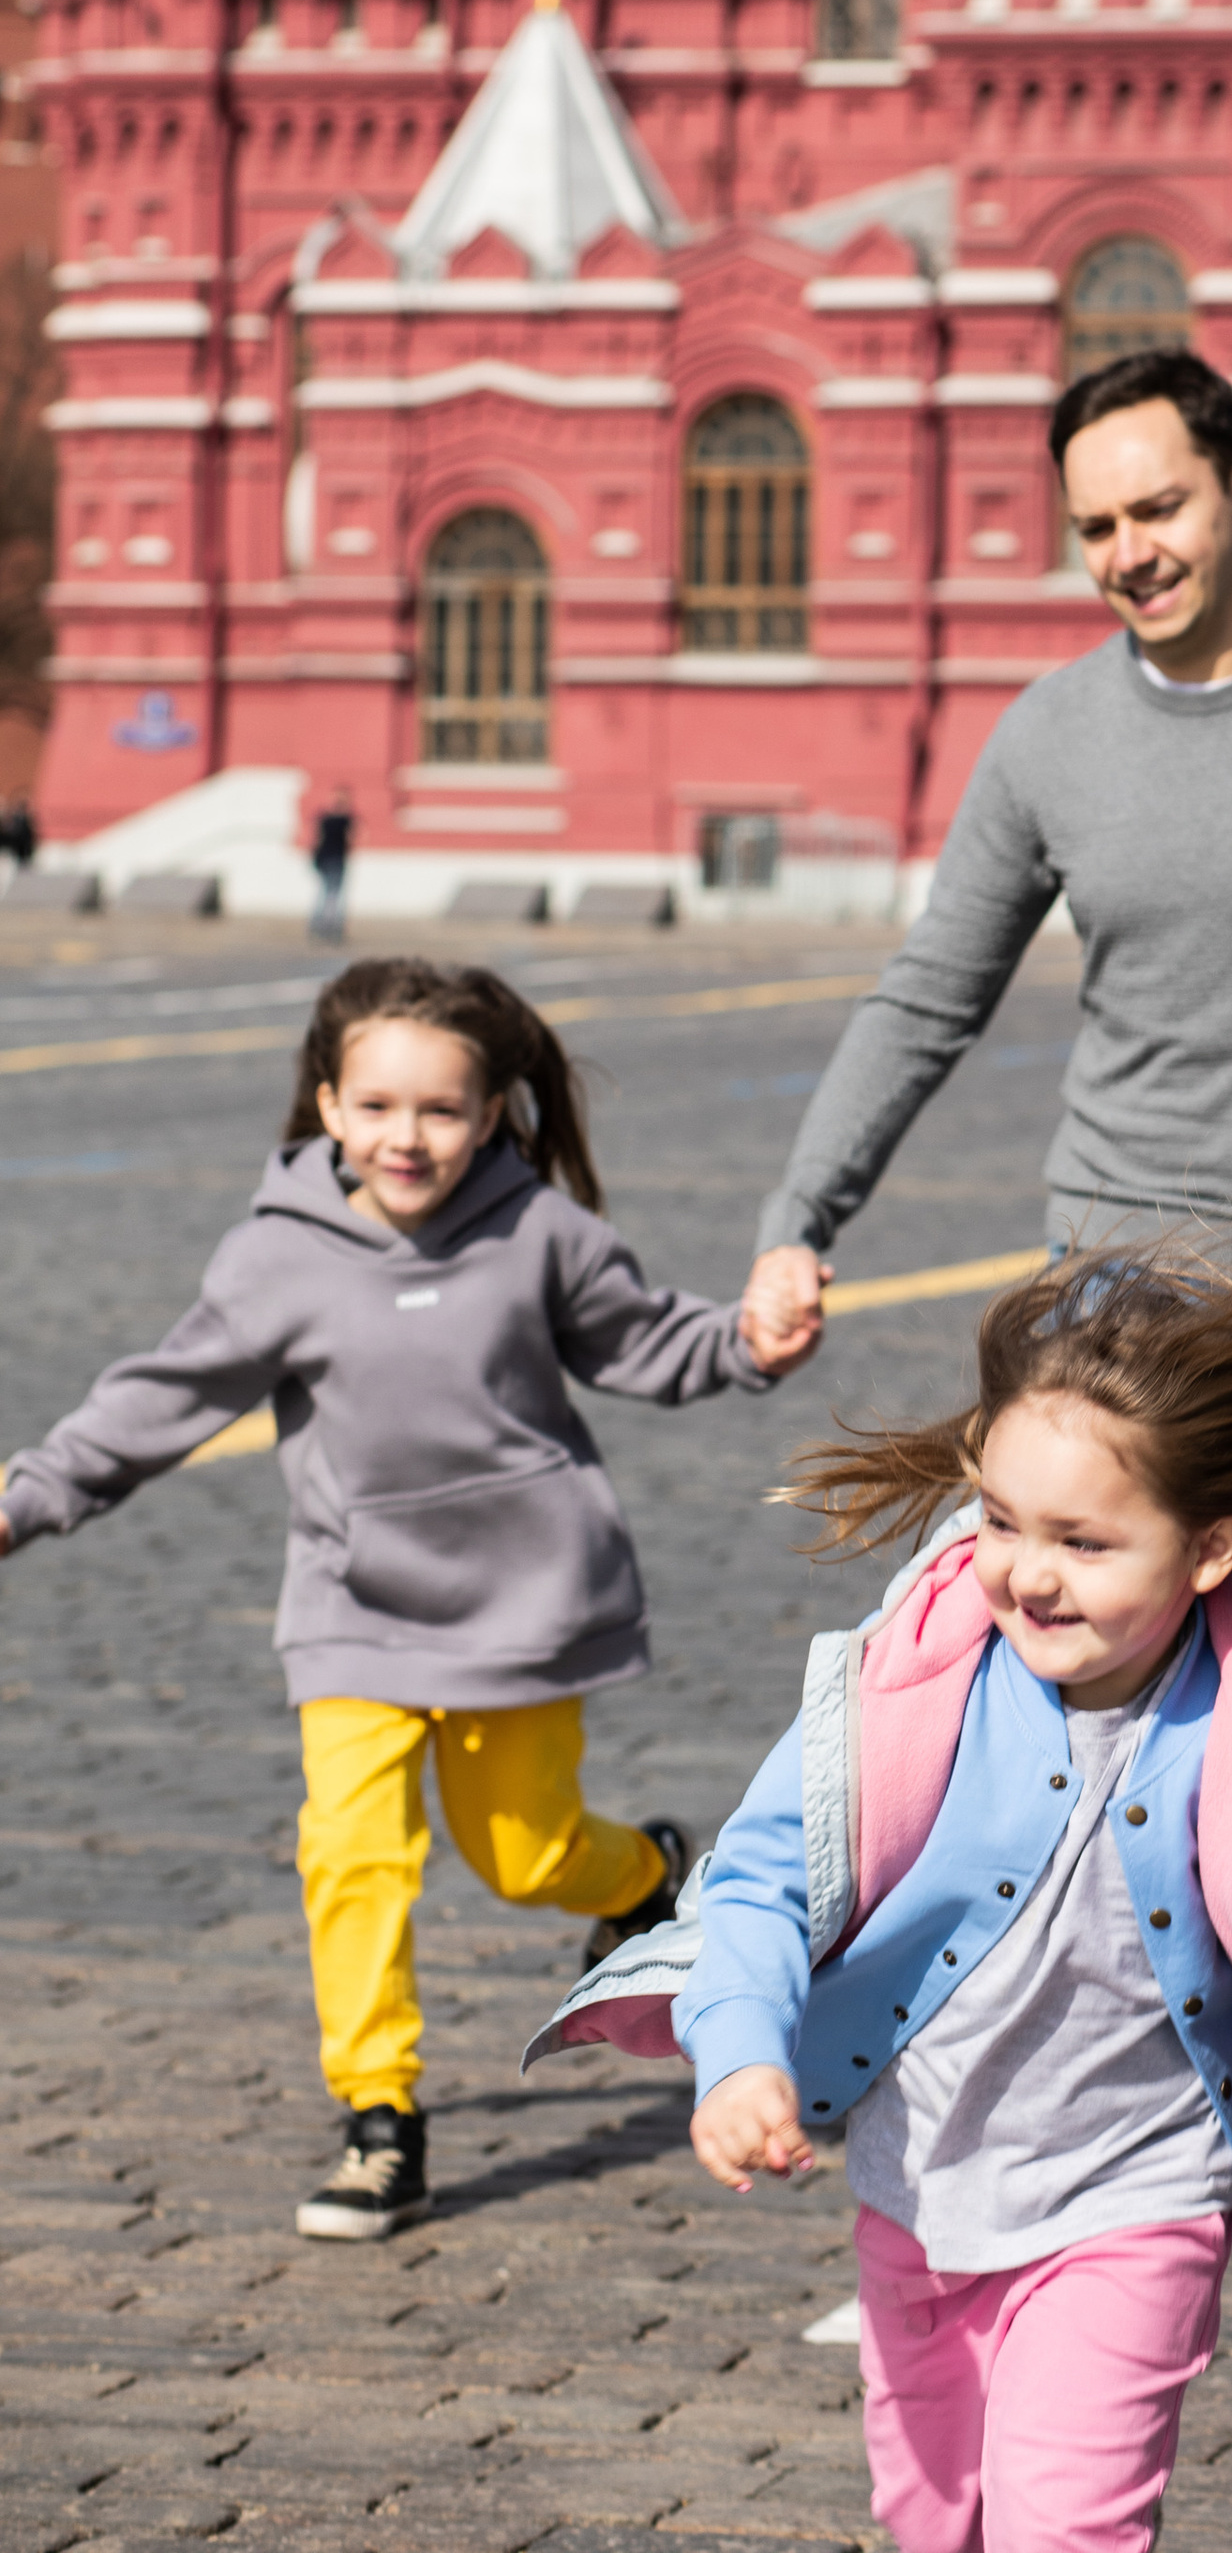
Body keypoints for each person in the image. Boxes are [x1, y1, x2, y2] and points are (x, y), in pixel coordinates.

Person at [750, 344, 1232, 2067]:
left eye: (1160, 507)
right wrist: (804, 1214)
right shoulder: (1050, 735)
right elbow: (931, 993)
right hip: (1113, 1285)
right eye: (1097, 526)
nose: (1131, 550)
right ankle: (1155, 1991)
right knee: (1110, 1645)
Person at [538, 1250, 1232, 2553]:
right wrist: (735, 2057)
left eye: (1084, 1541)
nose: (1027, 1574)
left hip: (1137, 2200)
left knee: (1065, 2532)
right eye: (1002, 1522)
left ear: (1212, 1547)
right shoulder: (913, 1682)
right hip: (919, 2192)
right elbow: (760, 1877)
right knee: (930, 2521)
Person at [0, 953, 822, 2242]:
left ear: (493, 1114)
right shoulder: (276, 1256)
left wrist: (749, 1344)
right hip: (353, 1610)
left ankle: (645, 1870)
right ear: (326, 1105)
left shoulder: (539, 1230)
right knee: (355, 1852)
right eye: (376, 1106)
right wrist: (26, 1494)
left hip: (526, 1607)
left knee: (522, 1851)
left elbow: (646, 1343)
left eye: (441, 1109)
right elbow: (156, 1400)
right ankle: (380, 2117)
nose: (407, 1136)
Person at [309, 785, 357, 944]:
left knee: (323, 892)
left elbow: (315, 838)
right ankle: (332, 927)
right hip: (337, 859)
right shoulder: (346, 819)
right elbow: (355, 838)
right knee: (334, 895)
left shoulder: (324, 818)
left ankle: (317, 925)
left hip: (323, 859)